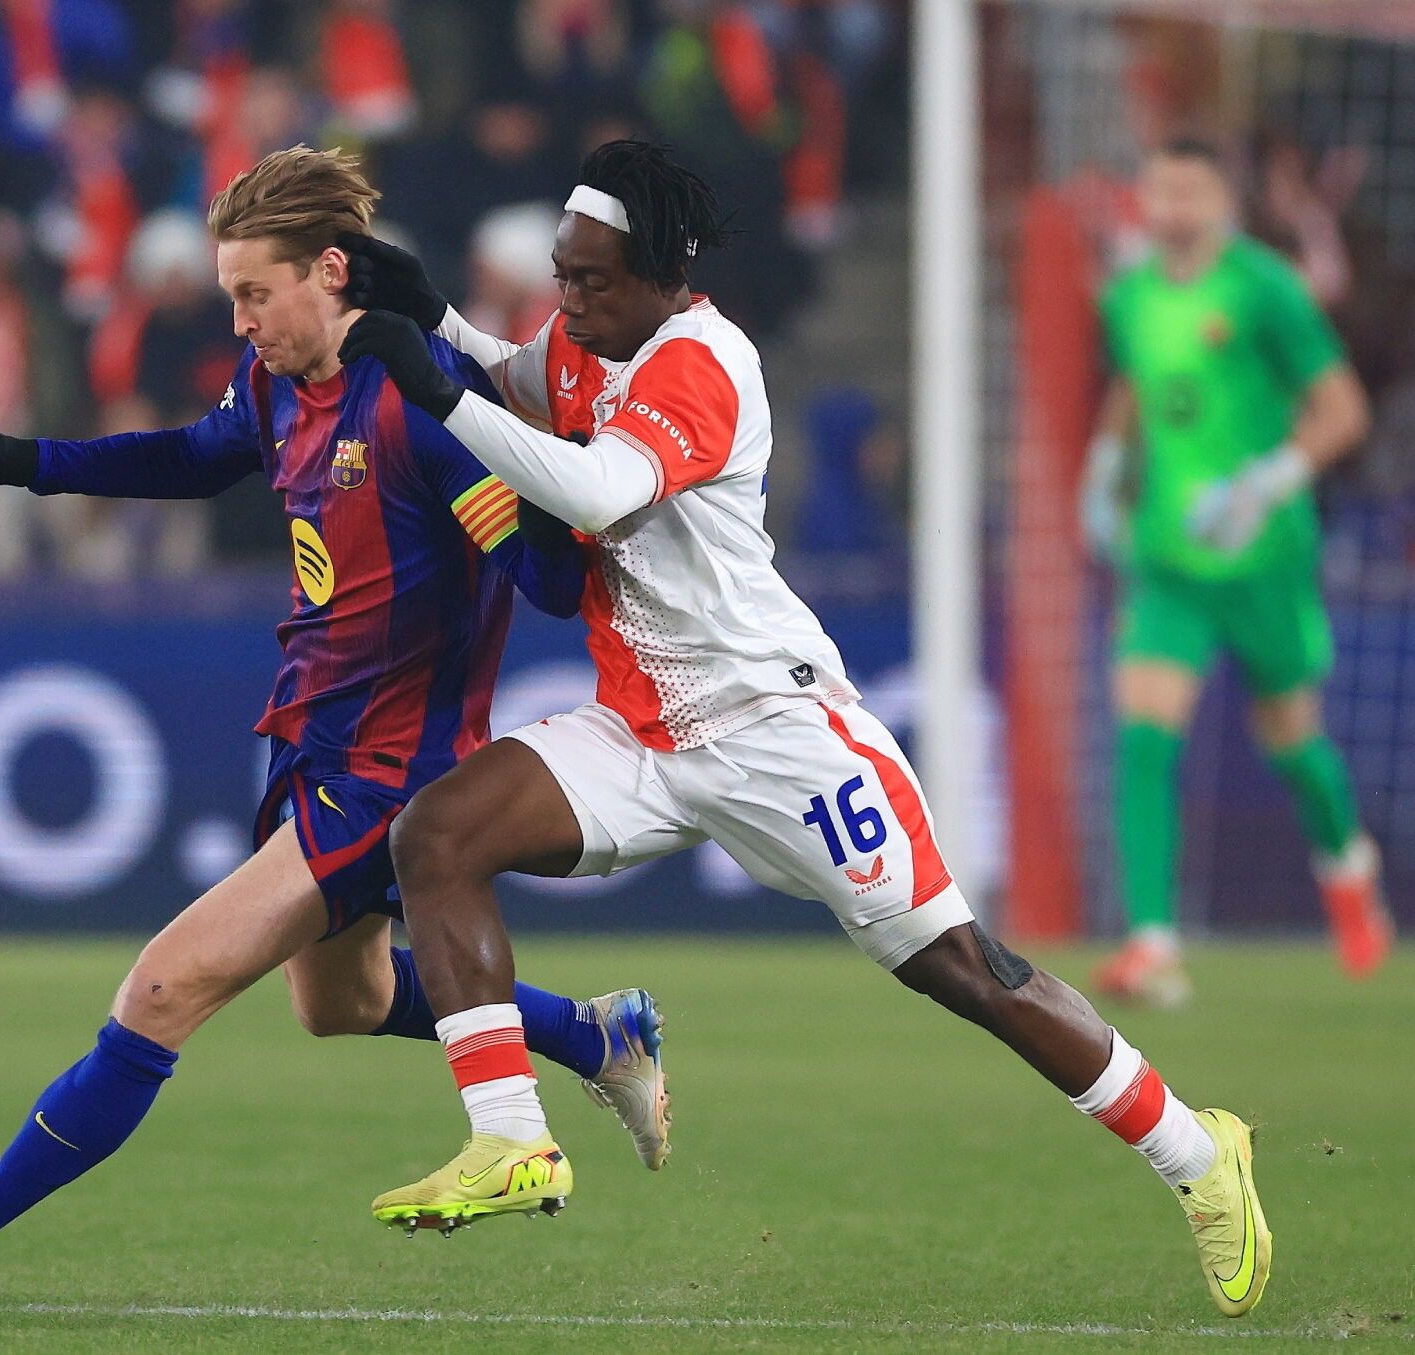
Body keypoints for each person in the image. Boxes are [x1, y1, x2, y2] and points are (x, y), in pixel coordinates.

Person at [337, 139, 1270, 1318]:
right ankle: (509, 1137)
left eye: (591, 280)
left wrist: (433, 389)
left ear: (667, 274)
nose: (567, 303)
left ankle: (1197, 1154)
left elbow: (590, 492)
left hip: (777, 727)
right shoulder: (587, 334)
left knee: (962, 970)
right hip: (643, 731)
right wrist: (434, 319)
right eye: (562, 275)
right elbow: (521, 380)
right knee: (438, 836)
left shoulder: (702, 362)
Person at [0, 146, 670, 1273]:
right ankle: (593, 1032)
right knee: (340, 1000)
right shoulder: (272, 385)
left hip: (397, 767)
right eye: (230, 296)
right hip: (313, 743)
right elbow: (192, 458)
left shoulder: (417, 398)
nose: (240, 319)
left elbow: (545, 582)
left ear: (330, 272)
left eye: (254, 293)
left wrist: (535, 484)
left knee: (163, 984)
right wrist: (14, 460)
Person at [1081, 138, 1390, 1006]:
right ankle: (1151, 941)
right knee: (1145, 734)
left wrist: (1268, 480)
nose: (1174, 206)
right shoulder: (1132, 293)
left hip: (1264, 554)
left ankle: (1346, 864)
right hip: (1170, 553)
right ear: (1144, 195)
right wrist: (1106, 463)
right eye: (1162, 188)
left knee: (1292, 741)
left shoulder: (1267, 288)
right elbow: (1140, 381)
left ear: (1223, 201)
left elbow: (1343, 409)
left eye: (1193, 190)